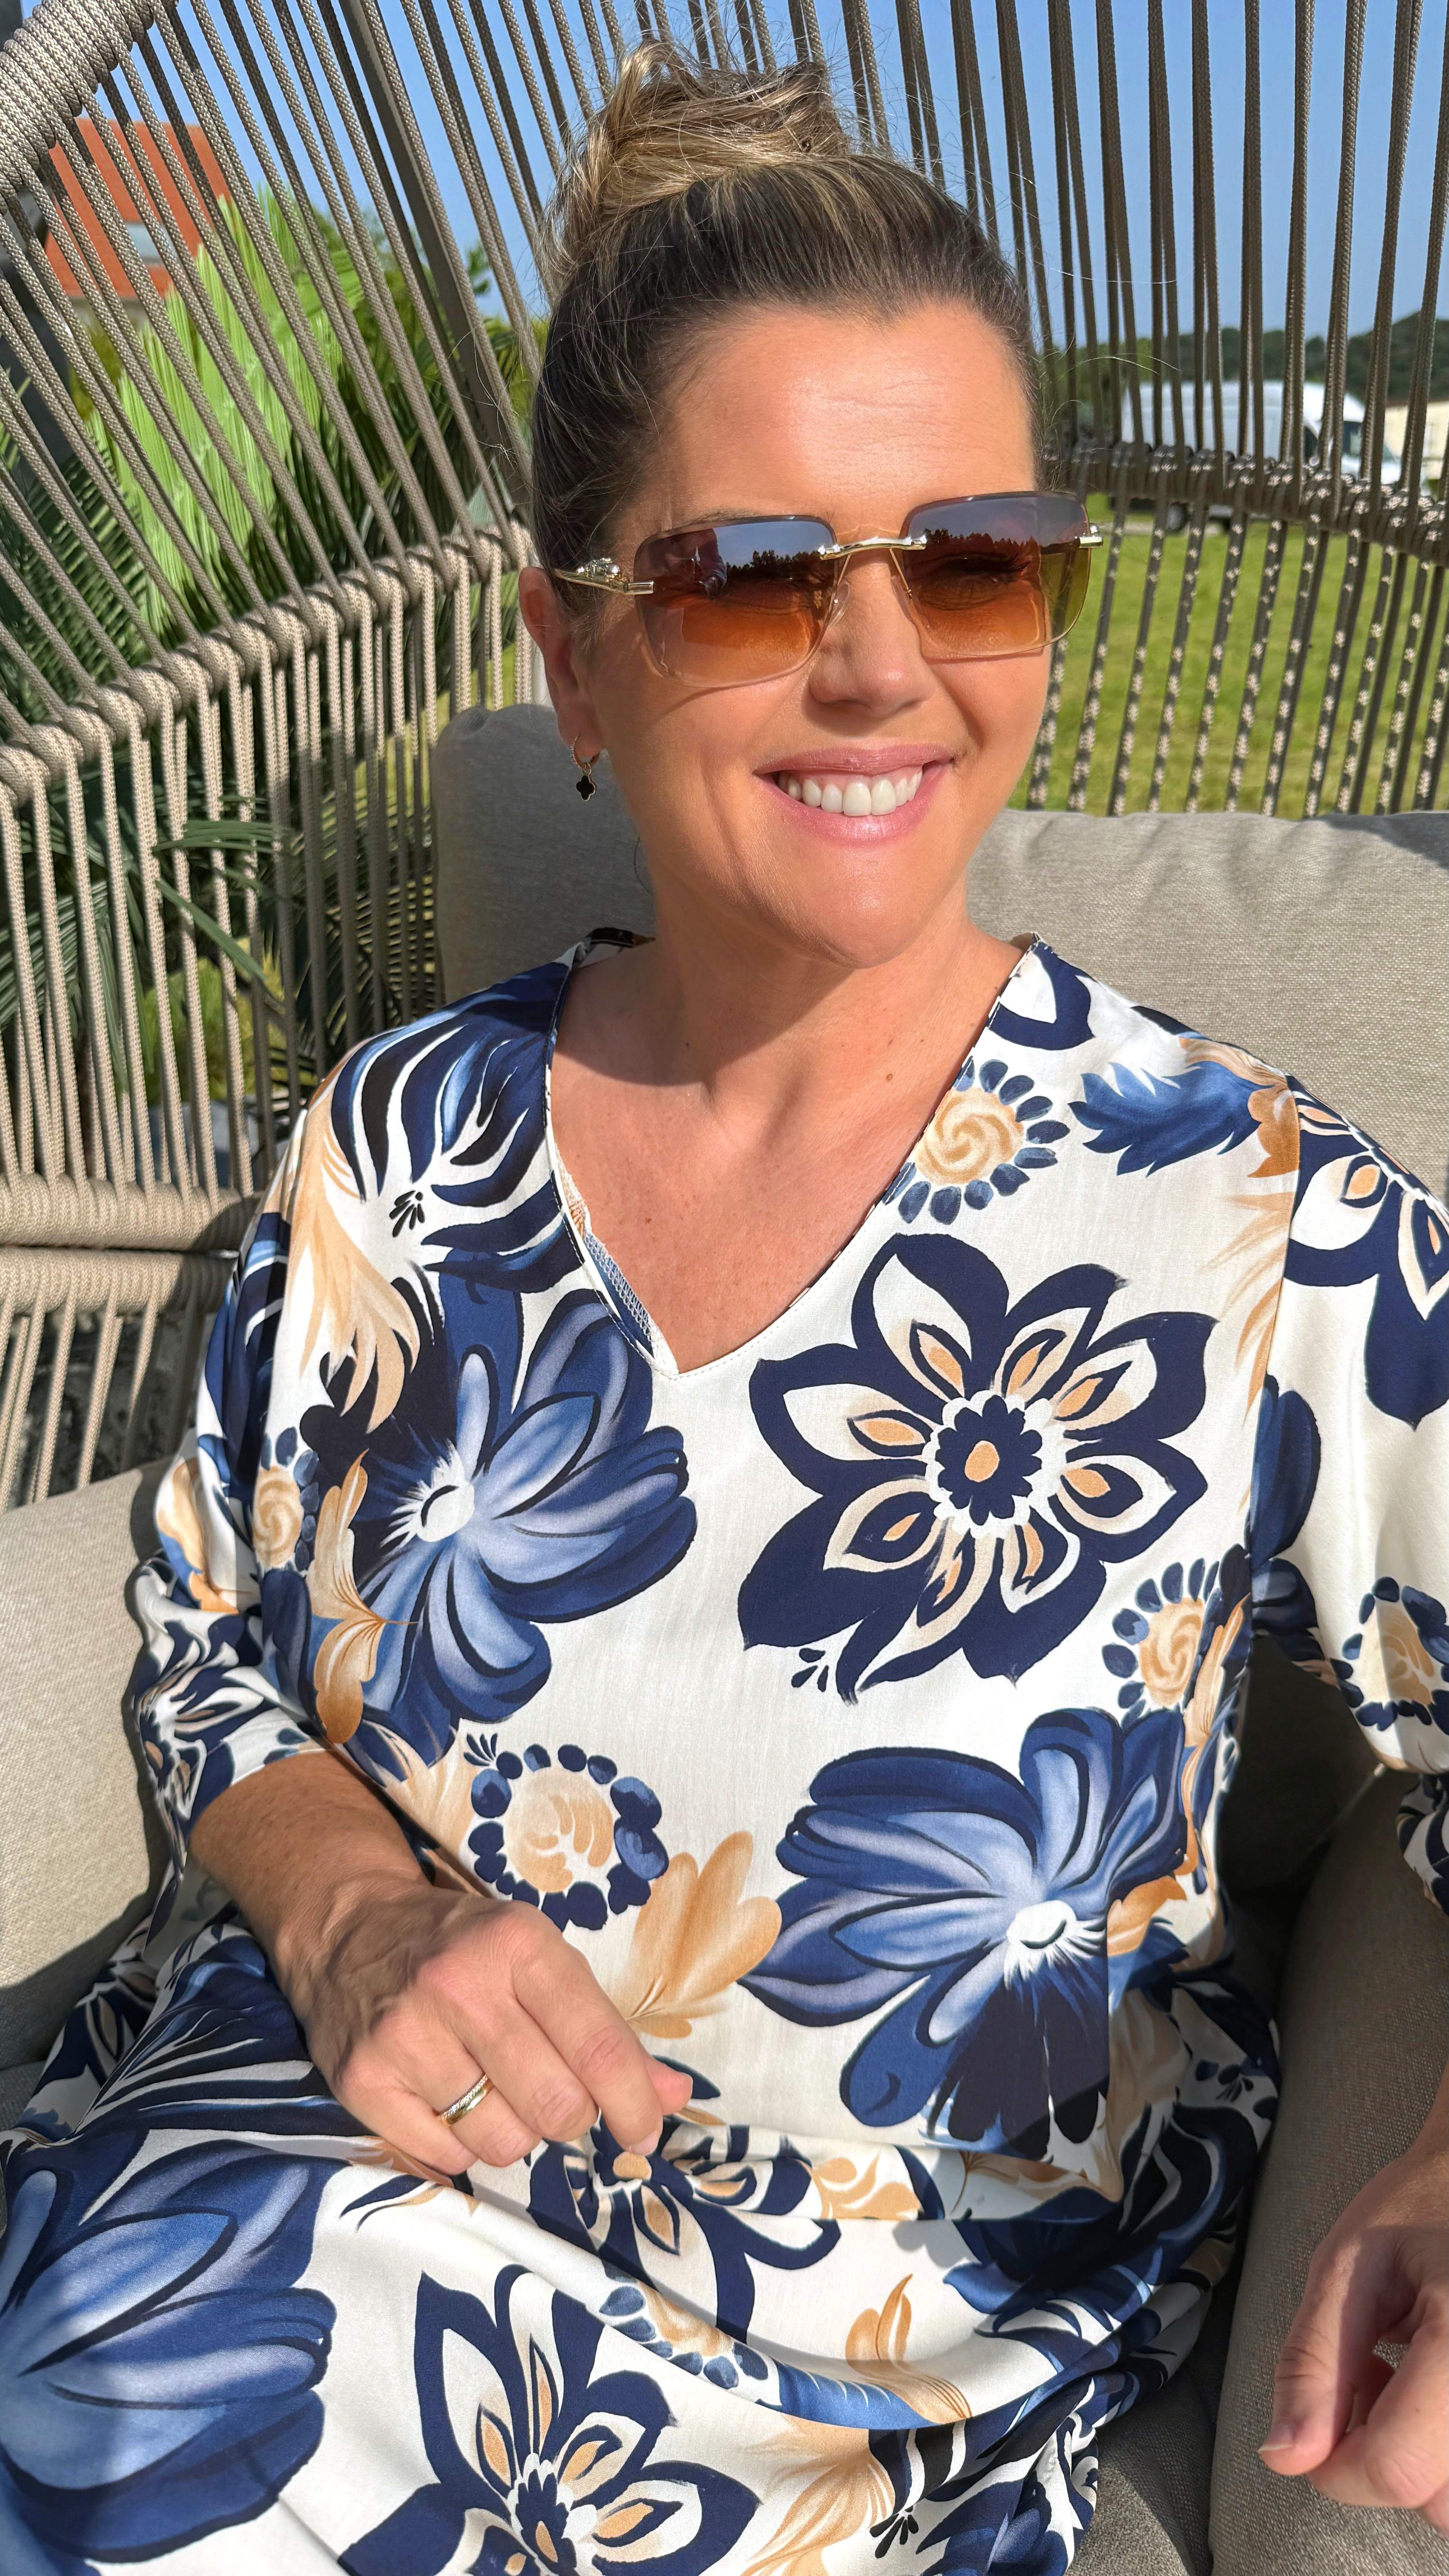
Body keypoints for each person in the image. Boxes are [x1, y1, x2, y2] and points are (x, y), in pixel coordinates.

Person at [2, 41, 1445, 2576]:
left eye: (972, 561)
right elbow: (210, 1642)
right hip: (237, 2181)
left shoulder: (1257, 1223)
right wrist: (351, 1913)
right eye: (757, 574)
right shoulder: (403, 1145)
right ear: (575, 658)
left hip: (808, 2366)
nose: (882, 666)